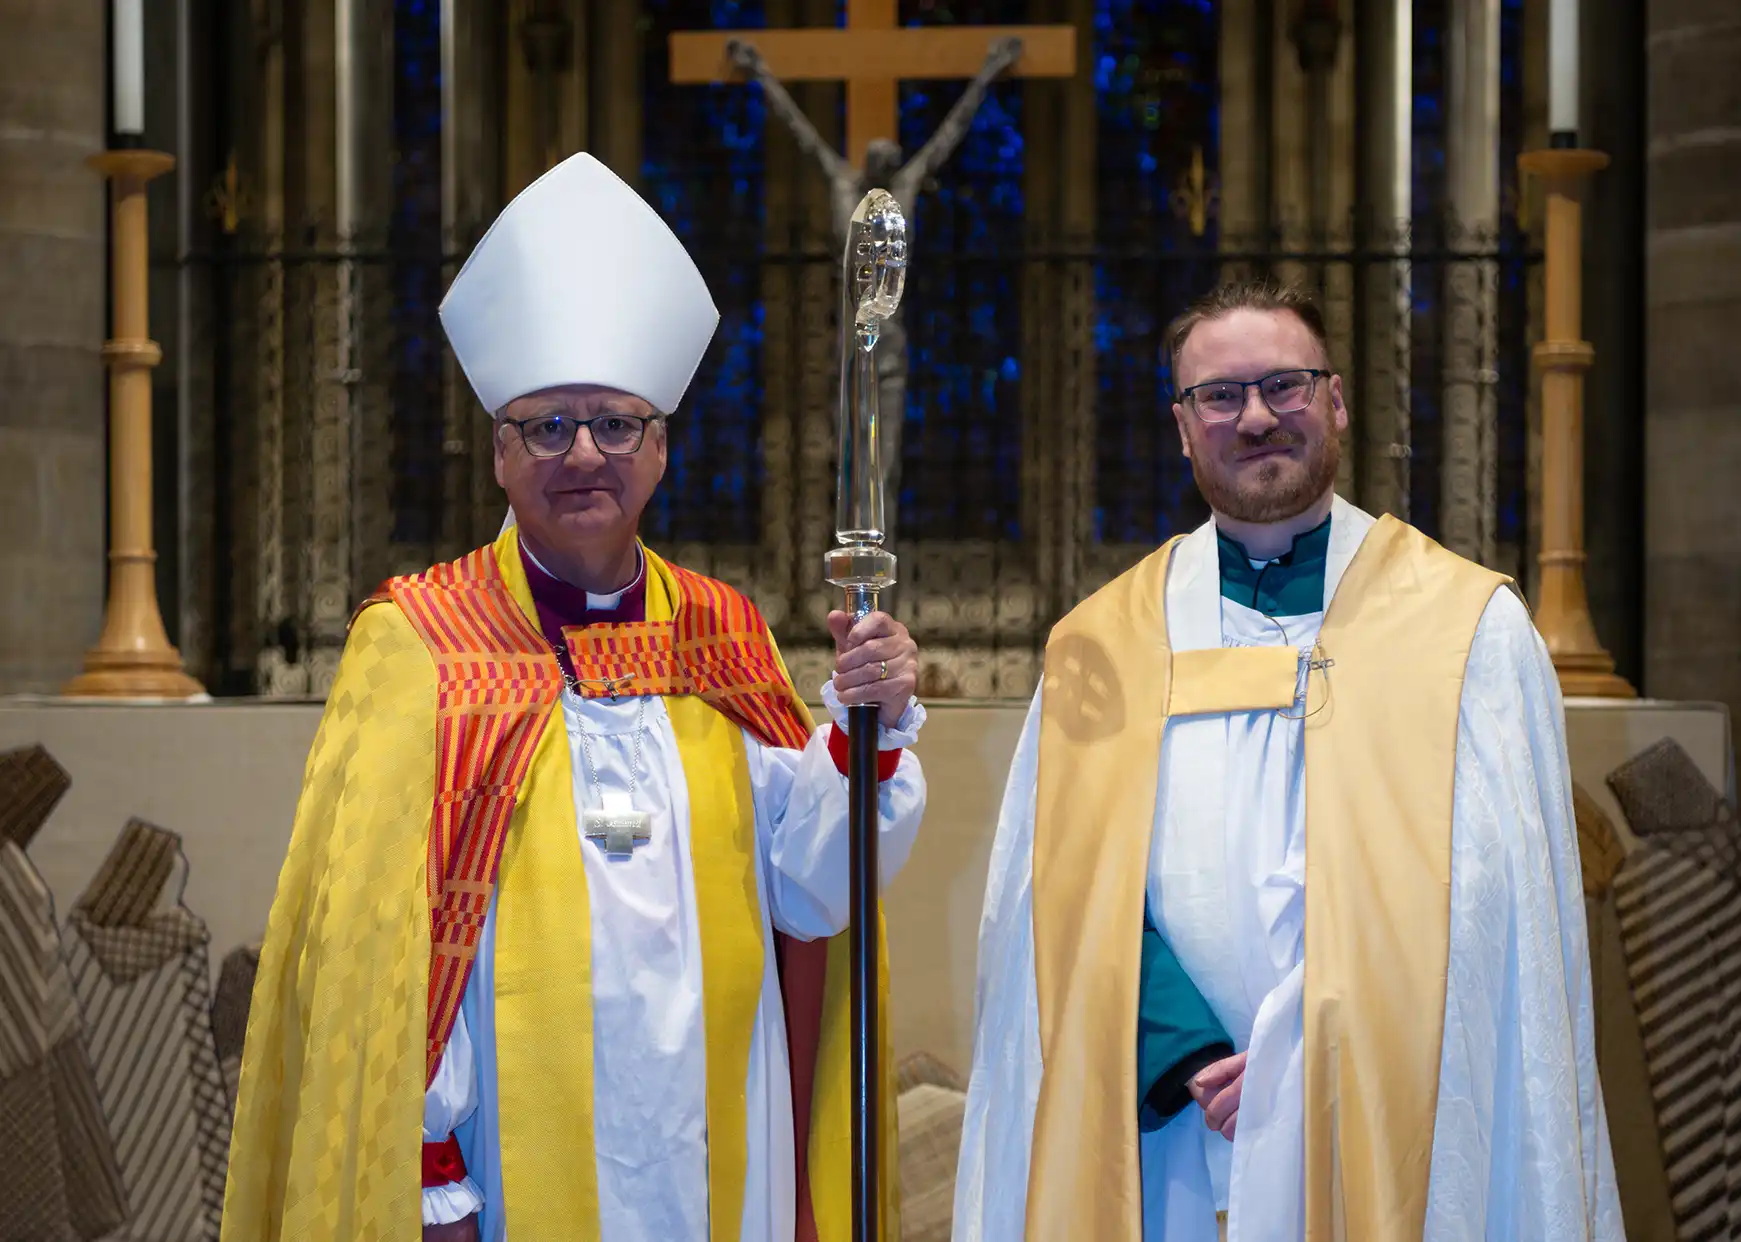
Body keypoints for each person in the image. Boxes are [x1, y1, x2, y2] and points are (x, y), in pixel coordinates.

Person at [221, 152, 928, 1242]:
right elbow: (390, 953)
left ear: (659, 452)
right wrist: (433, 1180)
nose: (583, 453)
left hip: (716, 1162)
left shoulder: (720, 632)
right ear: (501, 454)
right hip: (508, 1174)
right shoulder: (419, 643)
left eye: (615, 423)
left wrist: (865, 735)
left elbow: (813, 894)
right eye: (549, 426)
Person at [952, 280, 1623, 1242]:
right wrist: (1184, 1050)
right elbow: (1057, 889)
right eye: (1219, 397)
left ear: (1337, 402)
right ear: (1183, 428)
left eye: (1285, 386)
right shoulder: (1099, 647)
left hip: (1385, 1102)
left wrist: (1312, 1043)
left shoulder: (1467, 629)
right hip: (1173, 1126)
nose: (1255, 416)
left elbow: (1492, 910)